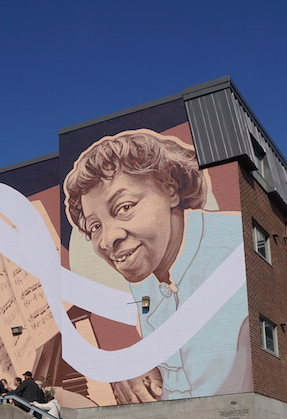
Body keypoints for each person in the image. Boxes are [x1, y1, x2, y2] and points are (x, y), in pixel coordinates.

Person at [64, 129, 250, 404]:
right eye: (94, 227)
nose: (107, 239)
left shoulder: (235, 250)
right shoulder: (149, 266)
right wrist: (143, 366)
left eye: (125, 207)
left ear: (170, 191)